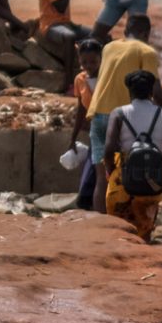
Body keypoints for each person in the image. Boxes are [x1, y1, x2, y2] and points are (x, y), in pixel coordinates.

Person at [96, 69, 162, 242]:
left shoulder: (118, 113)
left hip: (124, 182)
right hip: (152, 183)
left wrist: (110, 171)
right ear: (151, 92)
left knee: (120, 231)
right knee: (144, 227)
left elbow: (108, 150)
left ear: (129, 92)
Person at [87, 12, 162, 171]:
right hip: (120, 117)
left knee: (103, 179)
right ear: (146, 34)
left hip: (97, 114)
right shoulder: (146, 51)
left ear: (125, 33)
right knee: (127, 175)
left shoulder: (108, 48)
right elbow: (156, 90)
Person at [71, 38, 103, 210]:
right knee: (93, 168)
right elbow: (81, 110)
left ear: (101, 59)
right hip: (95, 131)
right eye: (84, 62)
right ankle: (88, 205)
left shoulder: (107, 77)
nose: (89, 65)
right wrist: (73, 137)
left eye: (93, 61)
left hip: (112, 128)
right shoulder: (80, 80)